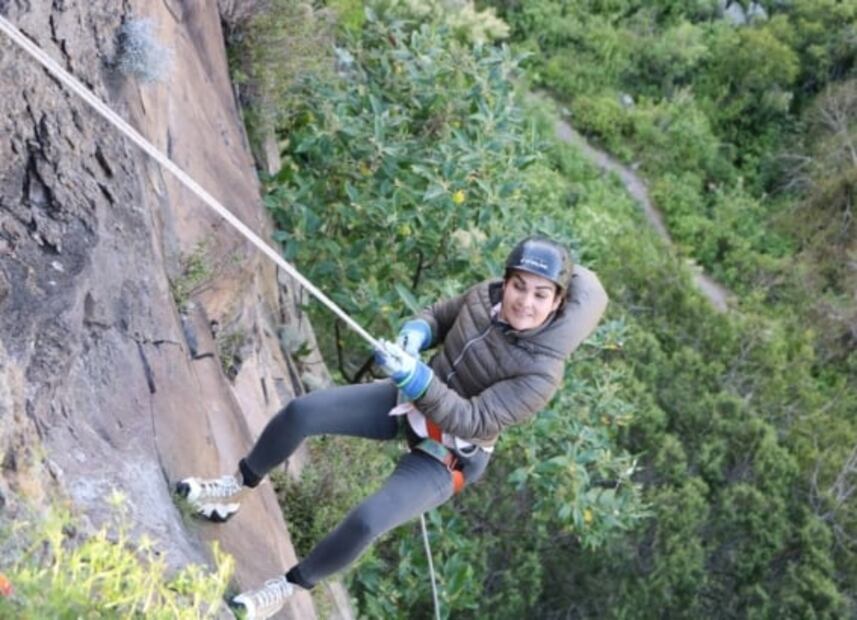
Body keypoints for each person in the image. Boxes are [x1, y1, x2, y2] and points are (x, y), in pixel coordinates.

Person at [177, 236, 608, 620]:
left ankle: (286, 589)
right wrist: (416, 334)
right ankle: (234, 489)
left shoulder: (543, 373)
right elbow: (440, 316)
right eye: (519, 285)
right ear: (506, 280)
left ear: (557, 303)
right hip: (408, 400)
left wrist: (416, 379)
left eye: (540, 294)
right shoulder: (484, 296)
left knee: (368, 521)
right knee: (302, 413)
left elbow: (472, 419)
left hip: (449, 452)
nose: (524, 302)